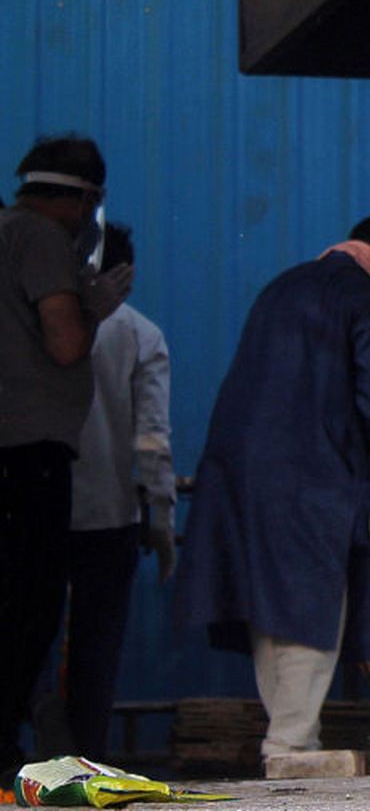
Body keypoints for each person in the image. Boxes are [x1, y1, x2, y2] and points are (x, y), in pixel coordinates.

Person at [174, 212, 370, 765]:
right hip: (313, 472)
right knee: (312, 602)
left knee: (270, 607)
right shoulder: (368, 298)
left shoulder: (284, 286)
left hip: (239, 472)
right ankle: (291, 744)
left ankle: (288, 735)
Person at [1, 136, 128, 781]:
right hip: (30, 452)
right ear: (83, 200)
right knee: (29, 603)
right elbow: (65, 341)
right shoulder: (43, 241)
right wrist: (94, 305)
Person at [60, 223, 176, 758]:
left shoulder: (35, 326)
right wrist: (161, 517)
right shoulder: (140, 333)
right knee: (95, 652)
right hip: (110, 518)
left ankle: (21, 761)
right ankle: (84, 760)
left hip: (36, 509)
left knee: (26, 644)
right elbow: (151, 440)